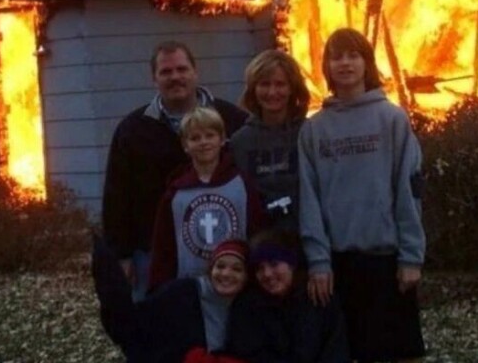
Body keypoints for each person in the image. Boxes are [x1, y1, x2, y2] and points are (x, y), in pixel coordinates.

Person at [298, 28, 426, 363]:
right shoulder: (314, 130)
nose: (345, 64)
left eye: (353, 55)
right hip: (337, 267)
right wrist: (318, 262)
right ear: (325, 66)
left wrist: (411, 256)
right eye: (336, 56)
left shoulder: (393, 119)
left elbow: (408, 189)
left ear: (367, 63)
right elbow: (309, 200)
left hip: (385, 262)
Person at [102, 41, 247, 302]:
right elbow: (117, 195)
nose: (175, 77)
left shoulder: (232, 119)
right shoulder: (134, 130)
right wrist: (121, 255)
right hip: (153, 251)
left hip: (223, 251)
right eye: (166, 72)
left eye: (182, 69)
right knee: (161, 324)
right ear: (154, 79)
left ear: (195, 72)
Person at [148, 107, 264, 290]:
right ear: (185, 145)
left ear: (222, 139)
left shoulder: (241, 184)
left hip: (238, 285)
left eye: (210, 135)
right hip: (191, 287)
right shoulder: (176, 193)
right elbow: (164, 247)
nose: (203, 142)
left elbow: (257, 232)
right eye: (195, 138)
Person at [92, 235, 251, 363]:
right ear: (210, 270)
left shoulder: (249, 307)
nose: (226, 274)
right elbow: (133, 326)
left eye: (236, 269)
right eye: (220, 266)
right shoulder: (182, 294)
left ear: (246, 277)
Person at [225, 229, 350, 362]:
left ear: (291, 265)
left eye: (274, 264)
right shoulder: (248, 306)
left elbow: (335, 350)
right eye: (259, 268)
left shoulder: (319, 297)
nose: (267, 274)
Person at [230, 49, 310, 231]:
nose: (272, 92)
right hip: (260, 241)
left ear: (292, 88)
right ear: (253, 89)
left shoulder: (308, 133)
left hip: (305, 236)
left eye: (280, 84)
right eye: (264, 84)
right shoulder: (240, 142)